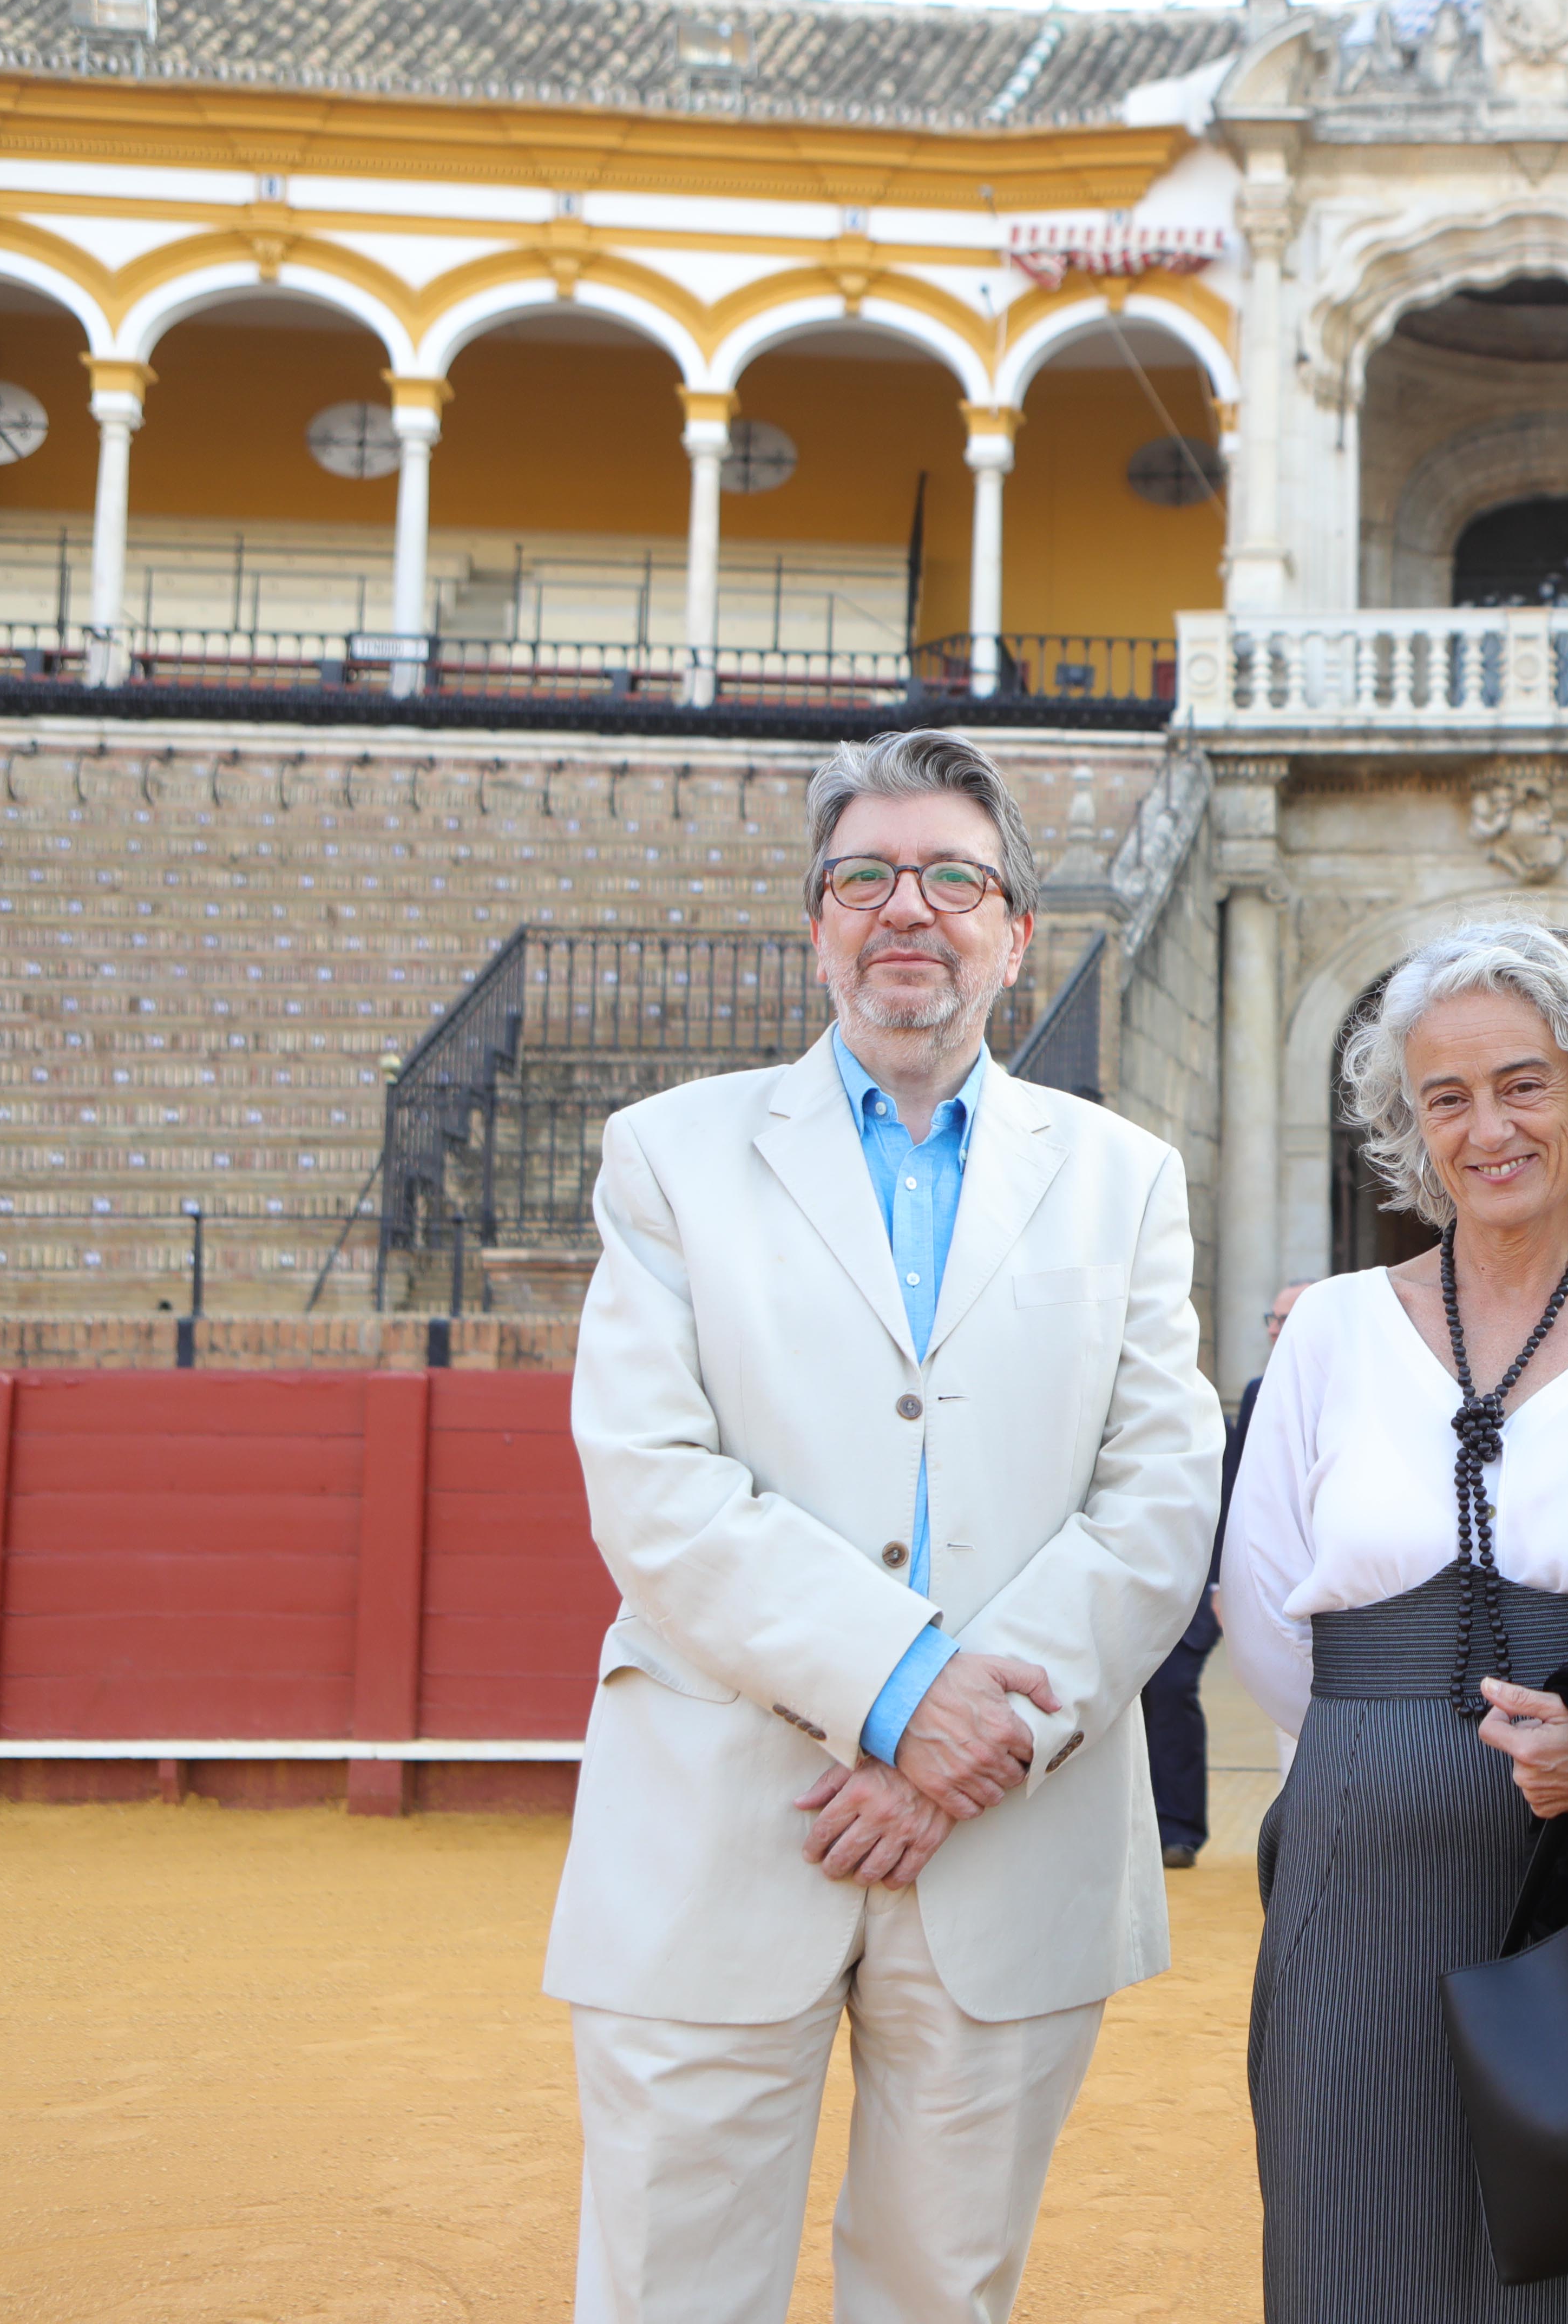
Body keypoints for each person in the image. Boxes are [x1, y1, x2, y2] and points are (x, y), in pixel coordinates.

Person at [547, 728, 1225, 2324]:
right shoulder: (670, 1156)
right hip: (730, 1806)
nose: (903, 907)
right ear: (817, 922)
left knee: (943, 2296)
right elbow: (653, 1478)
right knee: (666, 2293)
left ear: (1012, 932)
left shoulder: (1123, 1177)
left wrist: (965, 1738)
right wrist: (905, 1692)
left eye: (950, 876)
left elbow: (1158, 1491)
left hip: (1007, 1819)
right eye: (863, 873)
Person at [1223, 918, 1568, 2323]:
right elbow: (1264, 1602)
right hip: (1359, 1879)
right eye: (1445, 1097)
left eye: (1523, 1084)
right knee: (1363, 2247)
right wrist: (1379, 1747)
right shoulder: (1332, 1332)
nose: (1488, 1128)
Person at [1145, 1277, 1310, 1866]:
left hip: (1338, 1582)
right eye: (1273, 1316)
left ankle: (1316, 1839)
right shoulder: (1257, 1390)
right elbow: (1238, 1490)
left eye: (1288, 1318)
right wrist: (1220, 1582)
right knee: (1175, 1686)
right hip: (1265, 1578)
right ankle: (1186, 1832)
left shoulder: (1363, 1385)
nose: (1273, 1327)